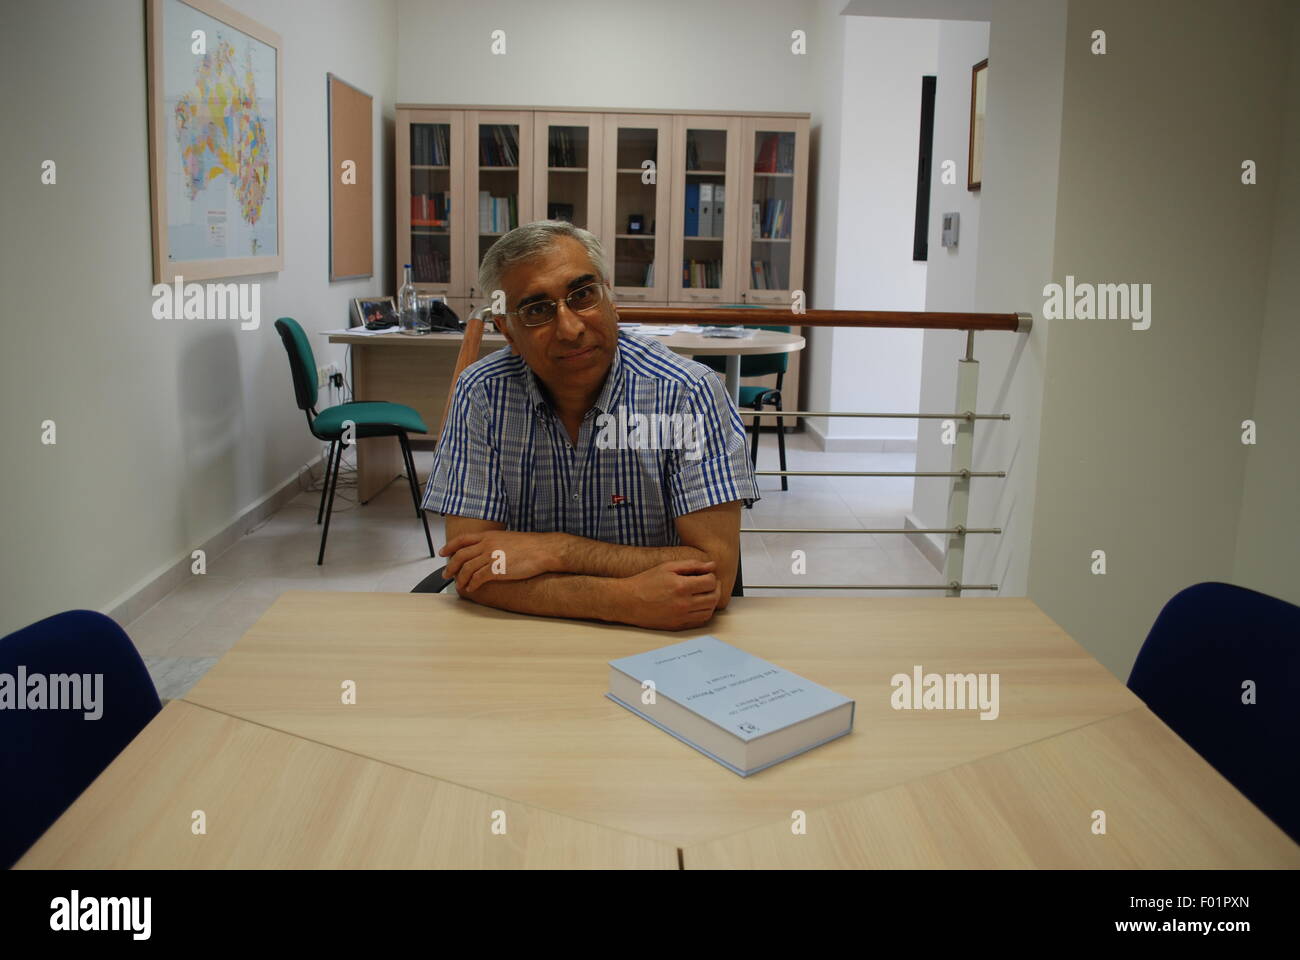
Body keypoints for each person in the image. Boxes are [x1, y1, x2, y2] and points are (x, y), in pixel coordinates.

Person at [422, 220, 759, 630]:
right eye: (536, 310)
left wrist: (557, 551)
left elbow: (715, 576)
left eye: (582, 295)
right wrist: (621, 600)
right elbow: (471, 573)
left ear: (609, 298)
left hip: (663, 647)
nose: (570, 328)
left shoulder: (689, 394)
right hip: (531, 641)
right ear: (506, 330)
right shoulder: (481, 395)